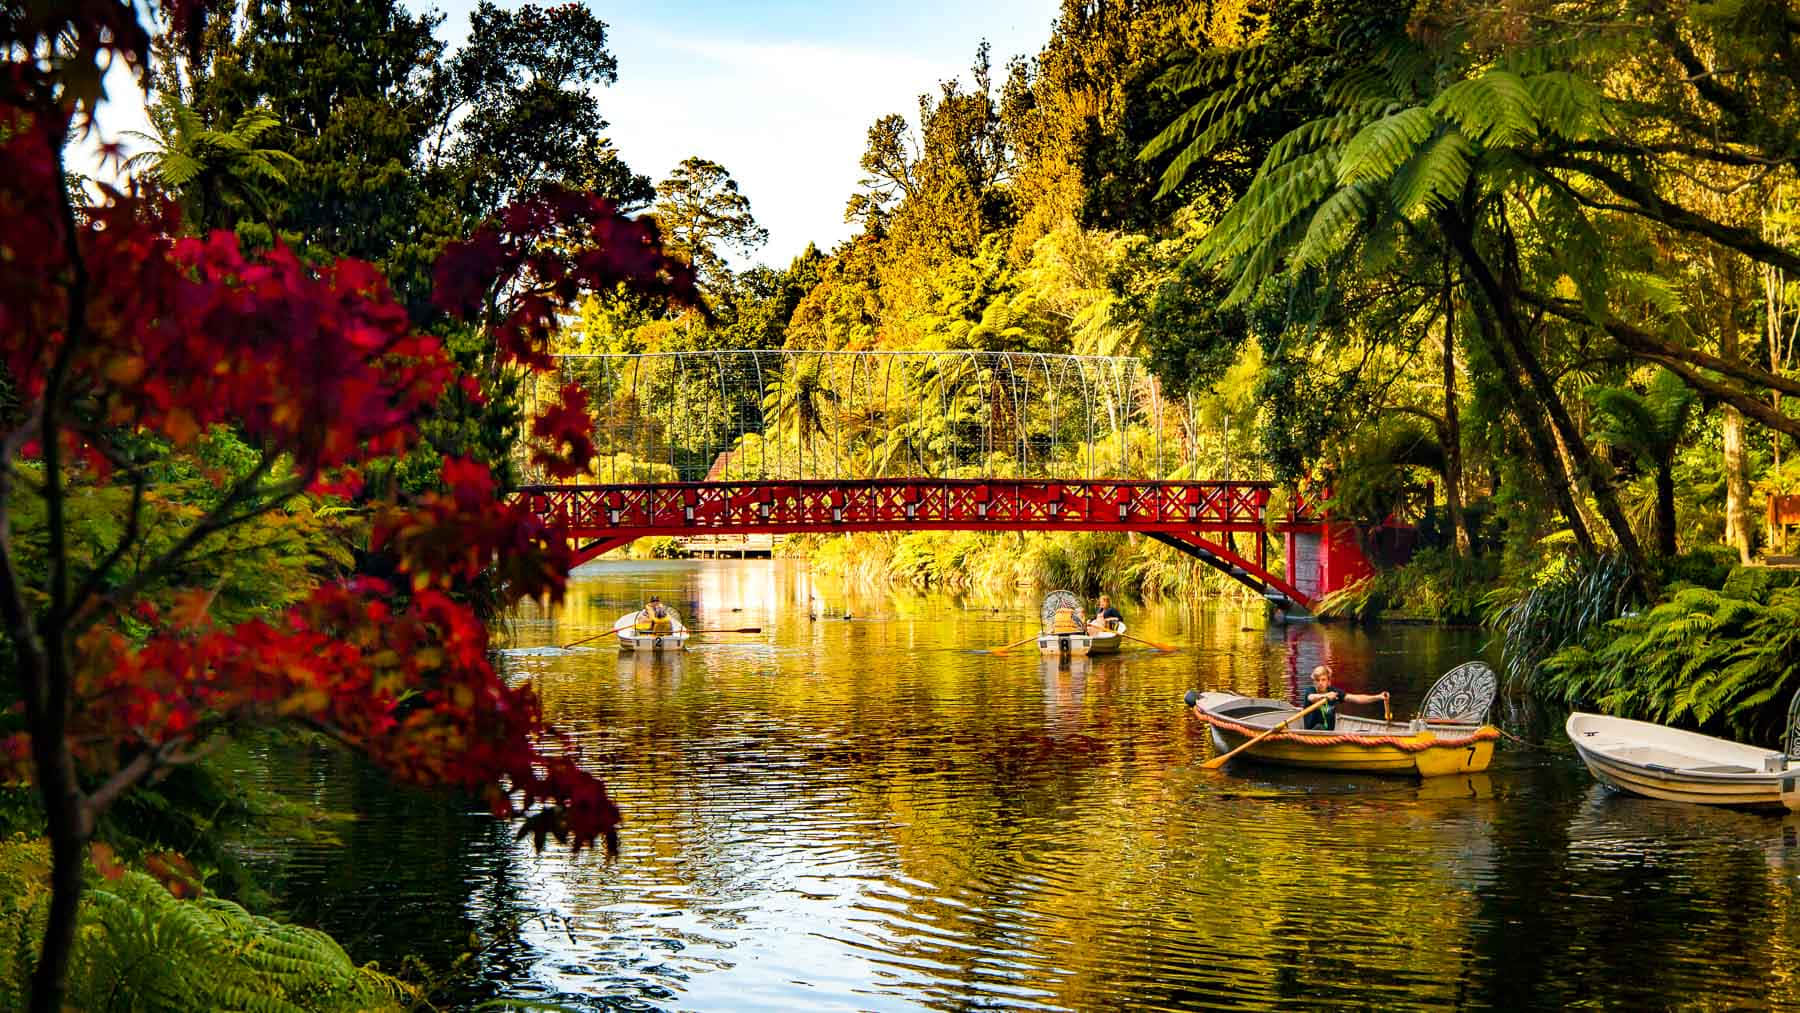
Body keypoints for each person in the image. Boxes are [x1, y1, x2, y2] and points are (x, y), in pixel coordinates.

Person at [1300, 664, 1387, 731]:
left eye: (1323, 680)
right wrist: (1326, 695)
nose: (1320, 683)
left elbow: (1356, 698)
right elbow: (1311, 697)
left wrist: (1379, 697)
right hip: (1312, 732)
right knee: (1319, 727)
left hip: (1329, 735)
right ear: (1314, 681)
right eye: (1317, 680)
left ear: (1328, 681)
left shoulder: (1334, 692)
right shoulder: (1310, 690)